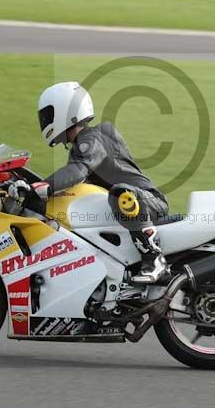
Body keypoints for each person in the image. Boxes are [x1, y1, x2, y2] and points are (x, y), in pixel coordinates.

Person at [29, 81, 170, 284]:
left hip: (145, 201)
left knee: (120, 193)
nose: (45, 121)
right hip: (128, 210)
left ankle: (154, 258)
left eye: (48, 115)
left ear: (65, 110)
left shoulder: (93, 137)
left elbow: (77, 171)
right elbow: (73, 182)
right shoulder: (81, 147)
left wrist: (44, 186)